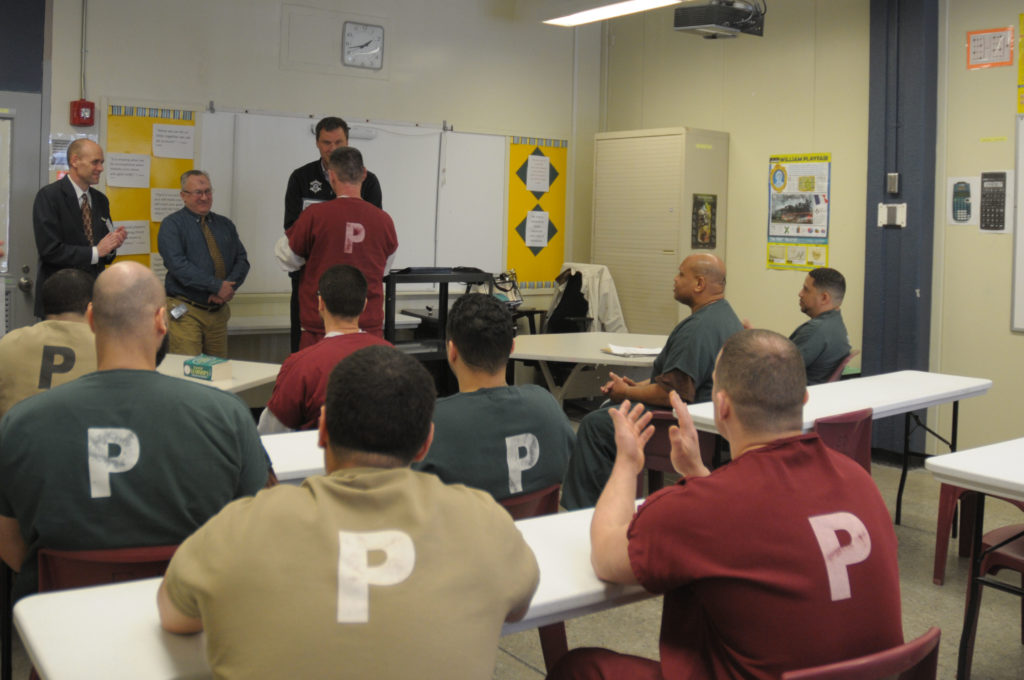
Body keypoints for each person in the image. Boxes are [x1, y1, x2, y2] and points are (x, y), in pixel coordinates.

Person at [157, 345, 539, 679]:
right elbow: (517, 608)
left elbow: (174, 615)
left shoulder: (240, 527)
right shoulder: (484, 523)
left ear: (321, 431)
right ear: (425, 444)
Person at [549, 330, 902, 679]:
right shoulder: (858, 479)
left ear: (721, 407)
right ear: (804, 398)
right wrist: (699, 473)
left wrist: (627, 461)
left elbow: (607, 557)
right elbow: (763, 521)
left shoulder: (699, 508)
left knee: (579, 668)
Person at [0, 262, 271, 600]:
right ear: (162, 321)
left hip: (60, 621)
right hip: (188, 615)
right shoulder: (228, 416)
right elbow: (256, 531)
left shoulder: (22, 421)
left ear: (91, 320)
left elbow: (10, 544)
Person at [561, 253, 743, 509]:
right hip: (708, 421)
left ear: (699, 284)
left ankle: (583, 511)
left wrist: (627, 393)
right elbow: (676, 378)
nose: (675, 280)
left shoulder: (696, 329)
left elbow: (672, 393)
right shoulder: (724, 316)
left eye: (681, 274)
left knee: (595, 425)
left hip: (681, 425)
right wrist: (638, 387)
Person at [413, 294, 575, 500]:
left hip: (465, 532)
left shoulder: (431, 422)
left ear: (452, 351)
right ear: (511, 348)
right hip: (536, 530)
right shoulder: (547, 406)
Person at [276, 146, 398, 347]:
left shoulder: (314, 216)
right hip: (368, 329)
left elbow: (287, 259)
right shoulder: (385, 221)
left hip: (321, 329)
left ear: (331, 176)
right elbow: (383, 269)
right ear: (364, 174)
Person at [258, 265, 391, 434]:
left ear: (320, 303)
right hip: (386, 457)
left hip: (320, 458)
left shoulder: (301, 366)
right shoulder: (395, 358)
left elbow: (270, 434)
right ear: (364, 305)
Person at [158, 170, 250, 358]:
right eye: (198, 192)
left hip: (218, 312)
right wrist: (216, 286)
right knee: (187, 373)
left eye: (208, 191)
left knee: (219, 372)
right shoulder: (171, 225)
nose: (204, 197)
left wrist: (226, 289)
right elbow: (178, 265)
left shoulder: (225, 224)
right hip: (185, 311)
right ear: (183, 196)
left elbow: (242, 260)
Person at [32, 138, 126, 318]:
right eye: (95, 162)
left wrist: (113, 245)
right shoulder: (49, 196)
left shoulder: (100, 200)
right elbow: (50, 250)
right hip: (60, 300)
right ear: (75, 161)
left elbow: (104, 255)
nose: (100, 168)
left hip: (93, 300)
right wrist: (97, 252)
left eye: (102, 162)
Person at [0, 268, 97, 419]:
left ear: (44, 304)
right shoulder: (106, 347)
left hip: (19, 438)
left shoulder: (9, 343)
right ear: (92, 306)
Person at [791, 267, 851, 384]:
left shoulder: (816, 331)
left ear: (824, 298)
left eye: (806, 289)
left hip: (797, 396)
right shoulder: (835, 323)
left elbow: (778, 369)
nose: (800, 294)